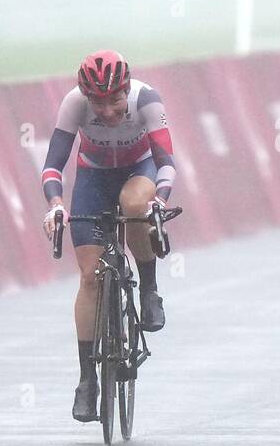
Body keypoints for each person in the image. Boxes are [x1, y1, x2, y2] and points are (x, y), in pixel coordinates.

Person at [40, 50, 177, 422]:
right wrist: (55, 205)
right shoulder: (73, 103)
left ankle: (148, 290)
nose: (108, 111)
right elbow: (53, 164)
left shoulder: (146, 99)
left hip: (139, 169)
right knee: (89, 278)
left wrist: (159, 202)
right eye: (97, 103)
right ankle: (87, 380)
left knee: (135, 204)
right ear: (85, 97)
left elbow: (166, 162)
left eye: (114, 100)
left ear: (127, 89)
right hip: (94, 177)